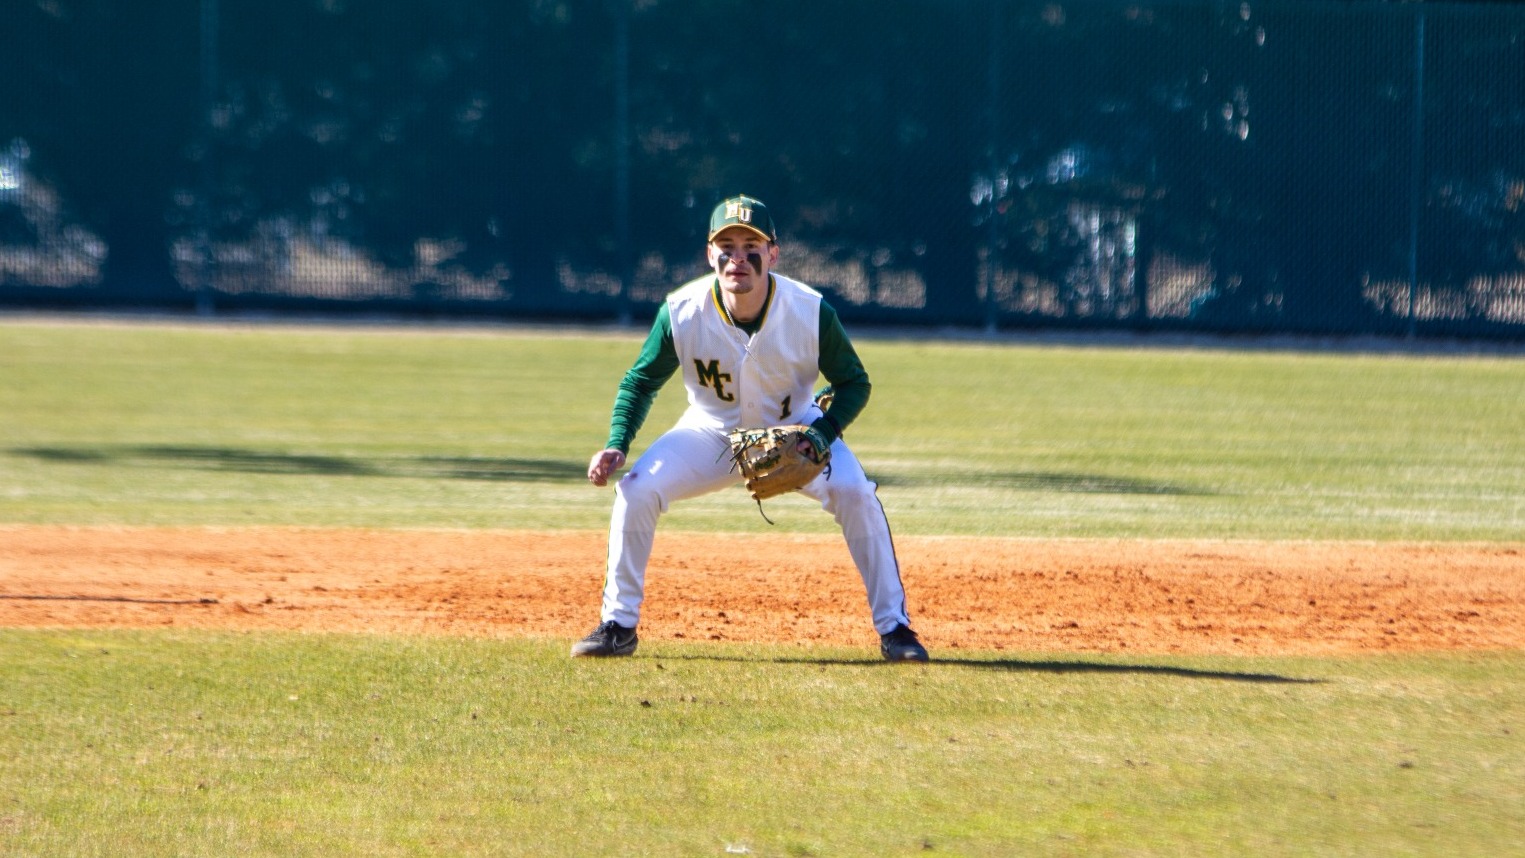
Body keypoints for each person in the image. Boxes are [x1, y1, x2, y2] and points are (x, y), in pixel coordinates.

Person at [573, 194, 928, 663]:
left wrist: (824, 432)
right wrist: (617, 444)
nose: (737, 257)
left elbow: (854, 383)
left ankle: (896, 630)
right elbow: (639, 381)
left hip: (798, 427)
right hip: (709, 432)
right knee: (636, 489)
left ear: (773, 254)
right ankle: (618, 626)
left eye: (750, 245)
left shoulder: (808, 310)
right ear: (709, 254)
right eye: (726, 245)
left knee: (857, 494)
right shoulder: (681, 311)